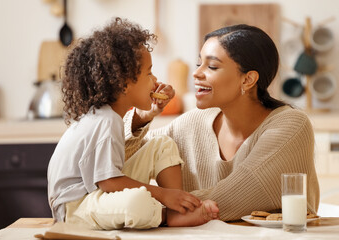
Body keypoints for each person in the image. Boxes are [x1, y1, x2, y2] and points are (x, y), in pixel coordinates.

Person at [124, 24, 320, 221]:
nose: (196, 73)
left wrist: (150, 210)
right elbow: (112, 166)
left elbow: (232, 198)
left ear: (248, 80)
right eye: (198, 63)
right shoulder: (192, 123)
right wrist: (141, 118)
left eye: (212, 66)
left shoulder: (291, 126)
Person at [47, 17, 219, 230]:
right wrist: (164, 195)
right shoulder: (106, 121)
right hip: (76, 207)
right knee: (137, 203)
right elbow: (109, 183)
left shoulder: (109, 117)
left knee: (161, 145)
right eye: (148, 73)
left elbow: (111, 178)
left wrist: (151, 111)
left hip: (96, 193)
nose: (155, 80)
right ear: (123, 84)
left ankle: (176, 213)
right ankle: (166, 214)